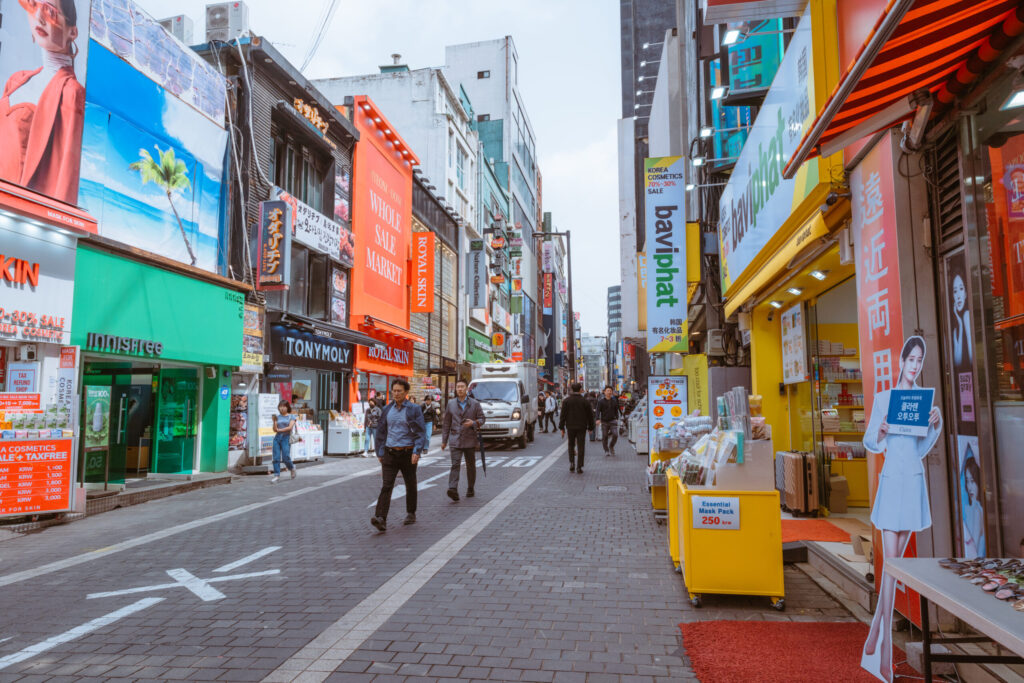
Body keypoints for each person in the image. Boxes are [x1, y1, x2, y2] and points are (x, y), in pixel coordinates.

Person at [860, 336, 942, 682]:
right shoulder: (885, 399)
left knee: (894, 565)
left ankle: (877, 627)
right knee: (892, 565)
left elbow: (919, 448)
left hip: (913, 481)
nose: (914, 365)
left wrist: (934, 426)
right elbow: (870, 442)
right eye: (911, 358)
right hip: (892, 481)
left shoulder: (923, 400)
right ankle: (881, 648)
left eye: (919, 360)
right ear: (901, 361)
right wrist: (879, 431)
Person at [0, 0, 85, 204]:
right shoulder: (16, 80)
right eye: (34, 6)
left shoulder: (72, 94)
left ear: (72, 32)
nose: (39, 17)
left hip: (22, 210)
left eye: (50, 11)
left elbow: (66, 176)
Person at [371, 379, 427, 533]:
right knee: (387, 485)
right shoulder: (388, 409)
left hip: (407, 453)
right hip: (390, 452)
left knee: (410, 483)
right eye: (394, 391)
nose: (396, 394)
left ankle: (411, 512)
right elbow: (381, 432)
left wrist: (417, 451)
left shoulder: (414, 409)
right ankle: (380, 518)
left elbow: (421, 432)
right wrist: (380, 452)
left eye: (399, 391)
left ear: (406, 393)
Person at [441, 379, 486, 501]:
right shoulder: (450, 404)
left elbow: (482, 419)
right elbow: (446, 423)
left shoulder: (475, 403)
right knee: (455, 464)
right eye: (458, 387)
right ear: (455, 389)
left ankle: (470, 487)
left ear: (467, 389)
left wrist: (474, 423)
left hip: (470, 439)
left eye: (462, 387)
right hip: (455, 439)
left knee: (470, 465)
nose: (460, 389)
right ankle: (453, 489)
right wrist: (444, 440)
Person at [559, 382, 595, 474]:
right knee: (581, 445)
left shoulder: (566, 401)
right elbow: (590, 416)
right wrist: (591, 427)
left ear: (571, 389)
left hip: (570, 426)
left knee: (571, 444)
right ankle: (579, 466)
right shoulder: (585, 401)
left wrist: (562, 428)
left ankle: (572, 463)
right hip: (582, 426)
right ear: (580, 390)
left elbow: (562, 415)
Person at [271, 400, 297, 483]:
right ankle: (276, 475)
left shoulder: (291, 417)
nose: (281, 408)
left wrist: (279, 429)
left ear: (287, 407)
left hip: (286, 438)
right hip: (277, 438)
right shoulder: (277, 417)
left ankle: (292, 468)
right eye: (280, 406)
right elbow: (275, 430)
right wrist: (274, 421)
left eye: (283, 406)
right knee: (276, 457)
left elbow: (290, 428)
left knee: (286, 457)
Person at [596, 386, 620, 456]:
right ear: (604, 392)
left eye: (610, 391)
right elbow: (598, 411)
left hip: (613, 420)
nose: (609, 392)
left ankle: (611, 446)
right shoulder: (601, 402)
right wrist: (597, 419)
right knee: (605, 436)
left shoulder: (614, 401)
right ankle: (606, 450)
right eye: (608, 391)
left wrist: (617, 418)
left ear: (612, 392)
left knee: (615, 435)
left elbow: (616, 410)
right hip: (604, 421)